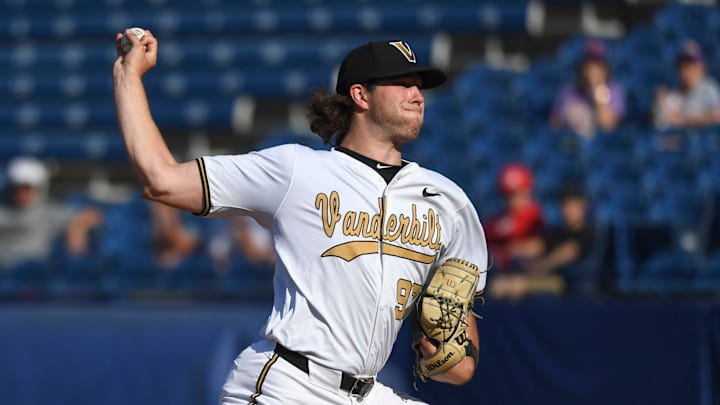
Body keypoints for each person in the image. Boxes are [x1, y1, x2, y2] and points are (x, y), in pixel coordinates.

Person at [113, 31, 488, 405]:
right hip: (290, 385)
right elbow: (161, 180)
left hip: (366, 392)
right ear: (360, 95)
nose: (417, 95)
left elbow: (460, 357)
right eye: (402, 84)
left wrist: (450, 356)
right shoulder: (297, 169)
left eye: (419, 86)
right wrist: (128, 77)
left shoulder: (447, 202)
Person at [0, 156, 102, 270]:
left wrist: (77, 229)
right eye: (17, 187)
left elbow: (91, 216)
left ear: (39, 188)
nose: (21, 193)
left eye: (27, 187)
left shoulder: (48, 212)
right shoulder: (3, 209)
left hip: (32, 275)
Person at [520, 184, 595, 296]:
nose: (566, 210)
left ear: (583, 206)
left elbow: (567, 253)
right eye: (564, 205)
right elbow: (538, 246)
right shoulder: (558, 233)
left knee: (517, 285)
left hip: (574, 286)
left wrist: (538, 267)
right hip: (554, 282)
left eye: (572, 205)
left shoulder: (590, 232)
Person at [485, 163, 545, 299]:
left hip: (527, 273)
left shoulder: (534, 216)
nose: (512, 200)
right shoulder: (498, 219)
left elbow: (537, 247)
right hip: (498, 272)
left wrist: (508, 251)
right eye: (508, 196)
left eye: (517, 194)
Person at [550, 38, 626, 139]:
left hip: (601, 146)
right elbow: (554, 124)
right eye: (589, 65)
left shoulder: (614, 90)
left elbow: (608, 125)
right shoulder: (569, 91)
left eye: (597, 65)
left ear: (605, 68)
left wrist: (598, 96)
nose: (593, 70)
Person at [653, 39, 720, 129]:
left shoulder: (709, 89)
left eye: (690, 64)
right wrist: (662, 105)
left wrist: (684, 120)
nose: (686, 70)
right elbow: (659, 125)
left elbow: (717, 117)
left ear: (701, 66)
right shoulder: (672, 96)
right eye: (682, 65)